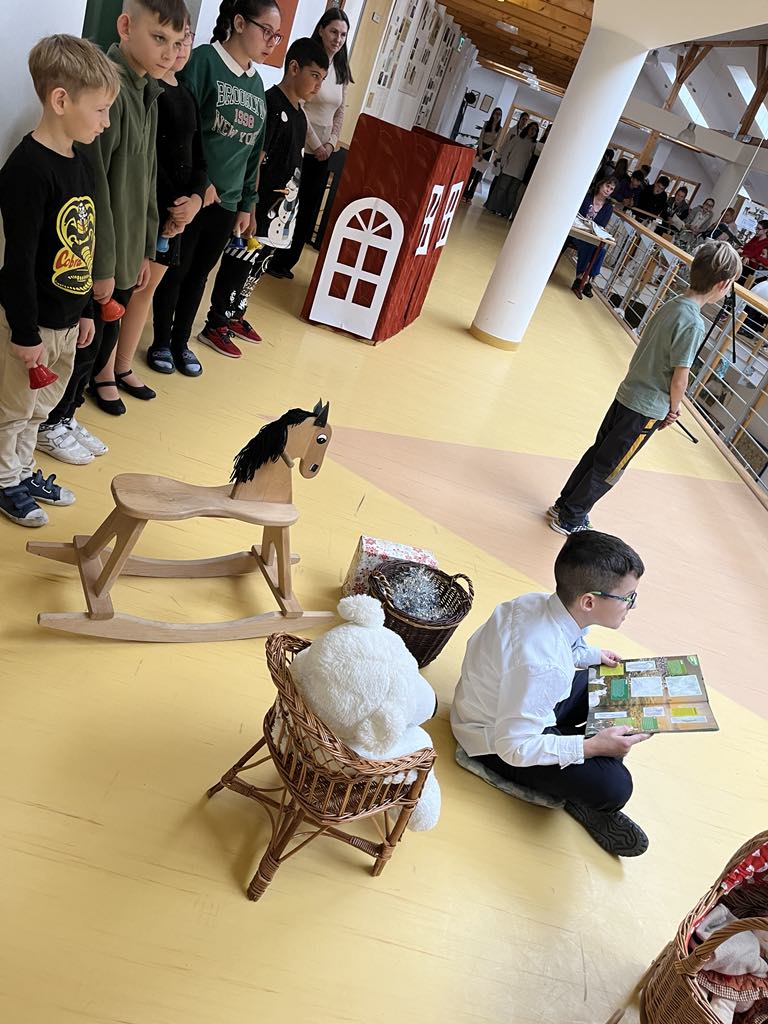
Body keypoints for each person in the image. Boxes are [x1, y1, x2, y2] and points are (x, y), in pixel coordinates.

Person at [38, 0, 187, 458]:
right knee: (81, 345)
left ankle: (68, 415)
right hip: (97, 256)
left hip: (126, 251)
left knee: (100, 343)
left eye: (176, 42)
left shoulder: (150, 92)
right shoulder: (109, 90)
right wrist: (102, 265)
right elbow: (95, 187)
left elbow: (147, 177)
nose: (168, 52)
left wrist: (145, 248)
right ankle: (50, 423)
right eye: (158, 38)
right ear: (125, 26)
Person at [451, 531, 651, 857]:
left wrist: (592, 655)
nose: (632, 605)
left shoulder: (534, 603)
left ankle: (573, 770)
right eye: (627, 597)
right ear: (589, 601)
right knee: (616, 787)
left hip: (502, 706)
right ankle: (578, 794)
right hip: (494, 744)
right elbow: (514, 747)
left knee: (611, 685)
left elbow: (556, 651)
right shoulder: (545, 666)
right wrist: (591, 747)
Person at [0, 36, 119, 524]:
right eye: (101, 110)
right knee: (13, 409)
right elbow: (18, 262)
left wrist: (86, 310)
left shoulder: (80, 162)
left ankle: (22, 470)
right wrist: (25, 333)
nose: (105, 122)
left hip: (68, 321)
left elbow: (80, 247)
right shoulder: (27, 170)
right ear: (62, 100)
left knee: (40, 409)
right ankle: (3, 480)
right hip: (32, 326)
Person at [548, 241, 742, 535]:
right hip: (646, 409)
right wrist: (674, 409)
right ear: (722, 284)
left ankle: (564, 504)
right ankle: (571, 518)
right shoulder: (693, 323)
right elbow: (680, 377)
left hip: (627, 394)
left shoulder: (672, 304)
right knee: (610, 467)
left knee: (598, 453)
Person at [146, 0, 278, 371]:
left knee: (199, 276)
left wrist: (246, 203)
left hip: (228, 202)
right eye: (266, 31)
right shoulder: (204, 61)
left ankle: (181, 341)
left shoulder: (257, 84)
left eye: (277, 36)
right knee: (176, 270)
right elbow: (184, 132)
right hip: (194, 195)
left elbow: (253, 150)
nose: (271, 42)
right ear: (240, 23)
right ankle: (160, 340)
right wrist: (199, 183)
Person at [198, 38, 329, 344]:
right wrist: (251, 207)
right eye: (314, 75)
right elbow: (256, 159)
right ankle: (216, 321)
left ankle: (236, 313)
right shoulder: (271, 105)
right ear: (293, 68)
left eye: (323, 79)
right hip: (259, 207)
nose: (318, 85)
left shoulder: (300, 115)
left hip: (280, 212)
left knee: (258, 264)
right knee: (239, 261)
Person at [107, 25, 207, 384]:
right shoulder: (146, 89)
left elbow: (199, 158)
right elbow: (148, 161)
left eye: (185, 41)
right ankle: (103, 371)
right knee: (126, 290)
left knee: (146, 292)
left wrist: (194, 200)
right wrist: (170, 209)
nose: (178, 49)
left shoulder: (187, 93)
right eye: (169, 40)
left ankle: (122, 366)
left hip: (177, 216)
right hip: (152, 211)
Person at [267, 7, 353, 280]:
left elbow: (341, 110)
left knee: (308, 207)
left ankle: (287, 261)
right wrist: (316, 145)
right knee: (287, 200)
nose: (338, 39)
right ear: (321, 30)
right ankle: (271, 255)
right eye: (334, 32)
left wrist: (331, 143)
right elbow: (300, 106)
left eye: (343, 35)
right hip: (303, 143)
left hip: (324, 150)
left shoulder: (340, 69)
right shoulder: (308, 62)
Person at [568, 177, 616, 299]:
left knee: (601, 250)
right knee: (589, 246)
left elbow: (602, 224)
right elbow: (577, 215)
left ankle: (585, 279)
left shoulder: (608, 207)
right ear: (600, 185)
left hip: (592, 236)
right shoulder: (587, 198)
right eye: (607, 186)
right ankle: (582, 280)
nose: (608, 190)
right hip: (577, 233)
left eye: (611, 189)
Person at [484, 121, 537, 217]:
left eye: (535, 130)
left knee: (511, 194)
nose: (533, 131)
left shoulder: (534, 145)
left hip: (520, 174)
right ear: (528, 128)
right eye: (532, 128)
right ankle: (494, 208)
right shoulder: (517, 139)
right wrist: (503, 164)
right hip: (508, 169)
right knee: (501, 190)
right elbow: (506, 152)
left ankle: (506, 212)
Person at [462, 106, 502, 203]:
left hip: (488, 151)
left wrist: (484, 152)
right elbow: (481, 138)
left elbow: (495, 144)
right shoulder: (487, 124)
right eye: (496, 113)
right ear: (493, 114)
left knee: (478, 175)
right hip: (480, 147)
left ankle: (470, 196)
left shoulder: (499, 129)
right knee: (472, 172)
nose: (497, 116)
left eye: (499, 114)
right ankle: (464, 194)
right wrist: (480, 150)